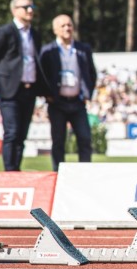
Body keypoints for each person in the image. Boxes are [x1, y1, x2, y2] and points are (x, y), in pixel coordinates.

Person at [0, 0, 47, 171]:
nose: (30, 10)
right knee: (11, 132)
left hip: (29, 90)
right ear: (14, 10)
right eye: (25, 7)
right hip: (9, 90)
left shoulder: (34, 34)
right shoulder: (5, 32)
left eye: (32, 7)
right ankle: (9, 171)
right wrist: (0, 80)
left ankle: (16, 170)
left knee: (21, 134)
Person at [40, 14, 98, 171]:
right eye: (63, 25)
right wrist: (48, 95)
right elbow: (42, 75)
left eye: (69, 25)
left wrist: (87, 94)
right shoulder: (48, 51)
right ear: (55, 29)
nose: (67, 28)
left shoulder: (83, 49)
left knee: (85, 138)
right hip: (57, 103)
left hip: (77, 102)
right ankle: (57, 174)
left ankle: (85, 173)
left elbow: (91, 73)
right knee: (58, 141)